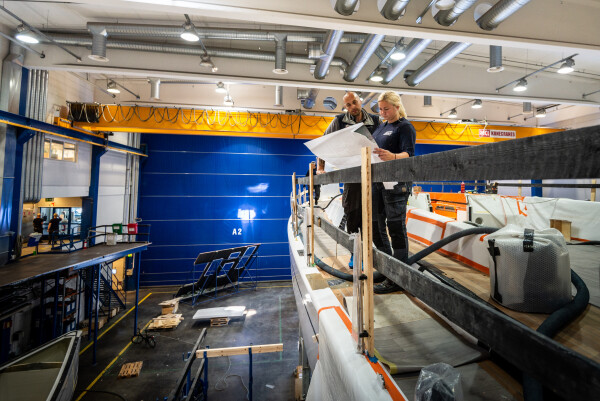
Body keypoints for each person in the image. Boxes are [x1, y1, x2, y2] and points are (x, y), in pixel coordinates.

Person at [316, 92, 387, 267]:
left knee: (373, 216)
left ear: (361, 101)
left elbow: (384, 146)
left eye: (354, 102)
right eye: (348, 105)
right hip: (352, 175)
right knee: (352, 213)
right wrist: (320, 168)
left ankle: (372, 254)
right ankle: (355, 253)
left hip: (373, 176)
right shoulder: (339, 121)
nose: (352, 107)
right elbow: (324, 142)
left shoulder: (376, 121)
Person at [371, 91, 416, 294]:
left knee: (395, 227)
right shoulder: (382, 126)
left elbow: (409, 154)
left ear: (397, 107)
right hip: (379, 183)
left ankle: (399, 276)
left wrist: (393, 156)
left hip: (397, 184)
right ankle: (387, 267)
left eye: (386, 109)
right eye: (380, 109)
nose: (383, 112)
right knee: (376, 225)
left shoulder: (404, 127)